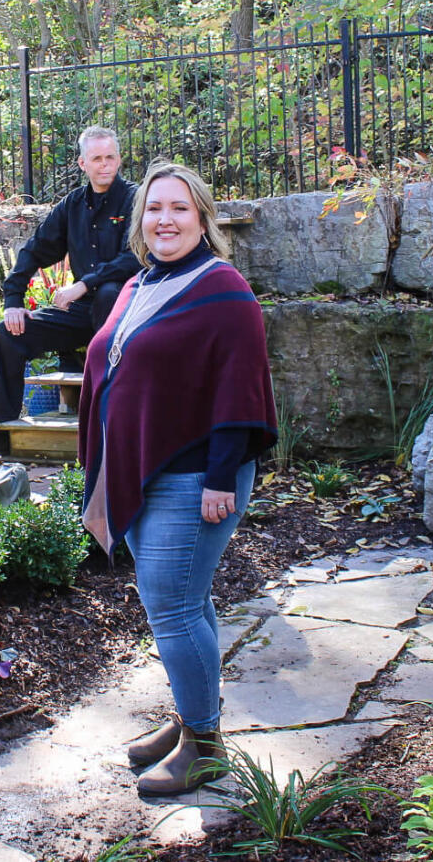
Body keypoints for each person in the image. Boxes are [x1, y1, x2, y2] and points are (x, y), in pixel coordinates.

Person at [78, 160, 278, 797]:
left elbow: (239, 389)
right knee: (187, 604)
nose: (166, 219)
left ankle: (206, 747)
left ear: (203, 219)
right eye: (155, 209)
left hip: (195, 479)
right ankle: (194, 717)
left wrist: (222, 477)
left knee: (173, 606)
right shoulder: (141, 284)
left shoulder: (224, 291)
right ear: (141, 221)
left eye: (180, 209)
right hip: (145, 467)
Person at [0, 125, 139, 461]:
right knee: (8, 334)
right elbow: (34, 251)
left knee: (109, 292)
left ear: (119, 159)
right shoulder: (71, 205)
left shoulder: (136, 199)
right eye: (96, 158)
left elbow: (135, 257)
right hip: (81, 311)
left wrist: (85, 282)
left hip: (124, 312)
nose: (105, 164)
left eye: (110, 157)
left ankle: (105, 430)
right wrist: (12, 302)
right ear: (82, 163)